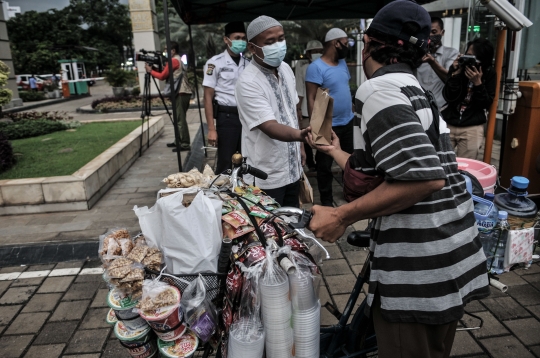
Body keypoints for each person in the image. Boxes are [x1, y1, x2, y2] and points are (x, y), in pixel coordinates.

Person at [306, 1, 490, 357]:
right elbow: (394, 170)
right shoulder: (414, 89)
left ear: (369, 45)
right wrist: (333, 151)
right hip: (450, 257)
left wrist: (341, 216)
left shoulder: (379, 90)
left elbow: (423, 179)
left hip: (420, 272)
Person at [235, 15, 308, 207]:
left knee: (292, 225)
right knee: (271, 232)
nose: (278, 45)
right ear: (252, 47)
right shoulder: (248, 81)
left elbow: (293, 109)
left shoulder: (285, 69)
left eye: (281, 39)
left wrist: (300, 147)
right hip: (266, 175)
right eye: (270, 42)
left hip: (292, 168)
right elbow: (269, 125)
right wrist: (301, 135)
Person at [305, 28, 354, 206]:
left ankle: (350, 193)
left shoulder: (342, 63)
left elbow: (343, 88)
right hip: (325, 120)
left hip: (348, 120)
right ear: (335, 43)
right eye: (345, 42)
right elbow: (312, 97)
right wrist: (316, 126)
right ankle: (326, 201)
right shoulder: (316, 67)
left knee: (349, 160)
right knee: (324, 165)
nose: (347, 46)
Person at [203, 21, 249, 174]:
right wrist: (211, 129)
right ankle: (223, 195)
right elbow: (207, 97)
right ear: (226, 40)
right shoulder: (215, 64)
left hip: (246, 117)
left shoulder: (248, 64)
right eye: (237, 38)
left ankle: (243, 195)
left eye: (243, 38)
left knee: (246, 160)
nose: (241, 41)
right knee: (226, 162)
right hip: (227, 118)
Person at [442, 38, 496, 159]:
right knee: (441, 163)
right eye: (467, 55)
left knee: (466, 167)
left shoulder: (489, 72)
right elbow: (449, 96)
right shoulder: (459, 68)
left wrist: (478, 84)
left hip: (472, 127)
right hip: (449, 122)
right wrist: (455, 74)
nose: (469, 60)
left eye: (472, 57)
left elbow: (486, 103)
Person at [145, 41, 192, 152]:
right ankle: (178, 140)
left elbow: (162, 76)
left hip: (181, 93)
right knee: (177, 118)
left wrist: (150, 71)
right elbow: (164, 72)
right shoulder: (177, 59)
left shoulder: (174, 61)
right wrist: (154, 69)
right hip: (181, 93)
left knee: (180, 120)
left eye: (167, 49)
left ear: (173, 50)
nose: (165, 52)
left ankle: (184, 143)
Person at [416, 16, 459, 110]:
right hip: (419, 107)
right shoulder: (418, 53)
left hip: (441, 109)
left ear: (442, 32)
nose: (430, 35)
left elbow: (450, 78)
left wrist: (433, 63)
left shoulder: (451, 53)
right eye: (427, 32)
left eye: (434, 32)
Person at [295, 40, 323, 172]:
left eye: (319, 51)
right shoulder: (303, 68)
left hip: (322, 107)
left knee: (321, 135)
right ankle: (311, 162)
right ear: (308, 54)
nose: (317, 53)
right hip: (306, 108)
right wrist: (298, 108)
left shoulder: (324, 66)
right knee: (307, 135)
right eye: (314, 51)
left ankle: (317, 162)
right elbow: (299, 89)